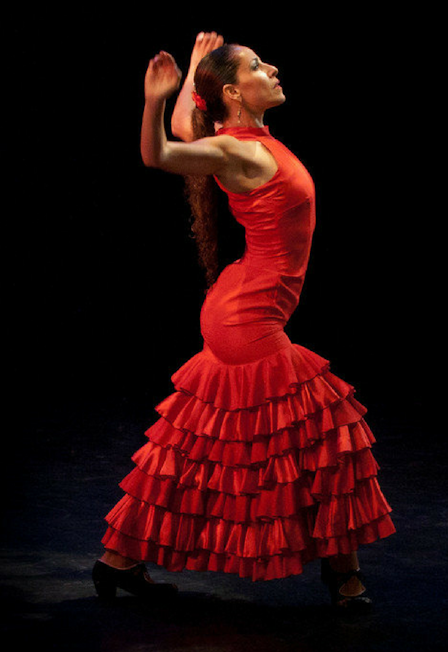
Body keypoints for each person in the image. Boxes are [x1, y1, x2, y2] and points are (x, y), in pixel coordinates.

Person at [92, 32, 396, 610]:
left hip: (241, 304)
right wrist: (155, 97)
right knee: (326, 432)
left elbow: (187, 129)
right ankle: (344, 576)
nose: (273, 68)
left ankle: (119, 560)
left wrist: (192, 74)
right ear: (234, 93)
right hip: (247, 319)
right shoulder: (239, 153)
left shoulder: (241, 141)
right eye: (258, 65)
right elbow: (159, 153)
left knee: (198, 444)